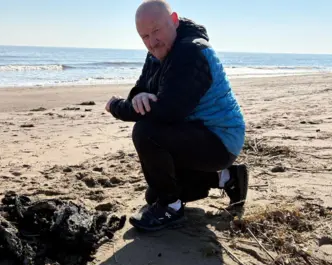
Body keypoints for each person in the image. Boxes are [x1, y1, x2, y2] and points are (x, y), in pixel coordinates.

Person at [105, 0, 248, 232]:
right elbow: (143, 85)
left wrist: (117, 106)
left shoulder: (190, 52)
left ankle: (171, 207)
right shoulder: (159, 50)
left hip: (219, 139)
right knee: (153, 195)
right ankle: (227, 178)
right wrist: (139, 94)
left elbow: (167, 112)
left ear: (174, 21)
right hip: (193, 132)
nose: (151, 42)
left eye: (156, 31)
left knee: (146, 131)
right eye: (144, 36)